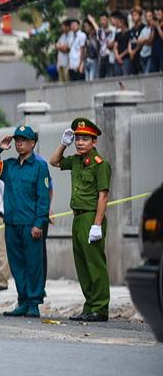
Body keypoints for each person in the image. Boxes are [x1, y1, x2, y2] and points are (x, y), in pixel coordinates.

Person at [0, 125, 51, 318]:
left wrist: (38, 223)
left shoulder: (40, 166)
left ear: (32, 143)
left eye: (23, 140)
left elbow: (43, 197)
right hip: (11, 223)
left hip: (30, 224)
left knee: (34, 264)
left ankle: (34, 303)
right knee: (17, 264)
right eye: (17, 140)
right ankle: (23, 301)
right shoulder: (8, 166)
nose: (19, 143)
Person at [49, 118, 112, 322]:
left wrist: (97, 224)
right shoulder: (75, 161)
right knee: (83, 266)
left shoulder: (100, 165)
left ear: (94, 142)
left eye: (85, 139)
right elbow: (54, 161)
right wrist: (63, 144)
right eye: (77, 138)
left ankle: (100, 308)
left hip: (91, 218)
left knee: (95, 265)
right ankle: (89, 306)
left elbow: (103, 196)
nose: (79, 143)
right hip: (77, 219)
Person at [111, 11, 131, 76]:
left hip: (126, 59)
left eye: (118, 22)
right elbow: (115, 46)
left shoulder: (130, 33)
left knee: (125, 76)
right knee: (117, 78)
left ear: (122, 21)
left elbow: (129, 47)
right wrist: (117, 56)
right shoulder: (118, 34)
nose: (116, 23)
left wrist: (120, 56)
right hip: (117, 59)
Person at [96, 12, 115, 78]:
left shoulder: (113, 29)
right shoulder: (99, 31)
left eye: (104, 19)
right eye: (100, 20)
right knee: (101, 76)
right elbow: (99, 43)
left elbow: (112, 44)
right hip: (102, 56)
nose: (102, 22)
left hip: (110, 55)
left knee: (110, 76)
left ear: (108, 19)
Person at [127, 7, 146, 74]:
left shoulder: (143, 27)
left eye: (135, 15)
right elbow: (130, 41)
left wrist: (134, 52)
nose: (133, 17)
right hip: (132, 57)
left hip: (140, 55)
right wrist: (130, 51)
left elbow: (142, 42)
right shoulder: (132, 29)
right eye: (132, 15)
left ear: (140, 16)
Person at [150, 7, 163, 73]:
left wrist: (158, 27)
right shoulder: (155, 26)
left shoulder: (158, 26)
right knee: (153, 74)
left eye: (159, 14)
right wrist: (152, 28)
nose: (157, 16)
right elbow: (150, 40)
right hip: (154, 53)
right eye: (156, 14)